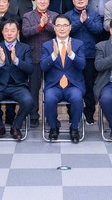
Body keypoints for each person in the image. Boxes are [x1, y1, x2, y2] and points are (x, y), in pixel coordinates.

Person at [0, 20, 34, 141]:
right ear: (2, 32)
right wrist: (0, 62)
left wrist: (16, 61)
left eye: (12, 31)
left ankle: (16, 126)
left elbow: (30, 69)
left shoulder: (25, 48)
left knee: (28, 101)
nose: (9, 33)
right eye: (6, 30)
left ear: (18, 32)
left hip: (18, 86)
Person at [40, 15, 86, 143]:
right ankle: (53, 127)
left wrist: (71, 54)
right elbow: (43, 66)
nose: (62, 28)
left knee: (77, 98)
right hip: (54, 85)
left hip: (73, 85)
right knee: (49, 99)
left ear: (70, 27)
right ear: (54, 28)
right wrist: (54, 55)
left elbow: (82, 65)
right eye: (59, 25)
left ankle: (74, 128)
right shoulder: (47, 45)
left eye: (65, 25)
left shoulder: (78, 44)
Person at [21, 0, 58, 127]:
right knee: (33, 88)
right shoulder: (27, 16)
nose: (42, 1)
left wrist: (47, 24)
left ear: (49, 1)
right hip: (33, 56)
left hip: (51, 57)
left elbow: (58, 31)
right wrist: (40, 26)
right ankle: (33, 116)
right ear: (35, 0)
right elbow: (25, 32)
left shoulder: (54, 15)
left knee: (51, 89)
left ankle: (51, 117)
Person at [66, 0, 104, 124]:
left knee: (89, 86)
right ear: (73, 1)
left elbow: (99, 30)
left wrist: (86, 20)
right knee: (71, 86)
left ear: (87, 0)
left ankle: (89, 114)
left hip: (90, 56)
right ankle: (72, 115)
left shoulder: (94, 14)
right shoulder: (68, 16)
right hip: (71, 57)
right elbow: (66, 30)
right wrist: (80, 22)